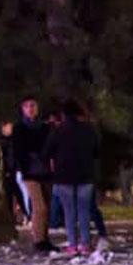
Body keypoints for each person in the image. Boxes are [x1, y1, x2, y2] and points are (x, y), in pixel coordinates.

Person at [43, 99, 98, 255]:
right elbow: (96, 152)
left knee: (69, 212)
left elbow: (46, 153)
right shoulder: (89, 130)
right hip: (85, 175)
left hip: (63, 176)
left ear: (63, 114)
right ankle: (86, 245)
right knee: (84, 211)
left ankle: (72, 245)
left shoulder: (58, 131)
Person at [13, 97, 53, 250]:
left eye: (33, 105)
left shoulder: (44, 127)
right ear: (22, 109)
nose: (30, 109)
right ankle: (38, 240)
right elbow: (19, 151)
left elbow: (50, 147)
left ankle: (45, 237)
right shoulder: (19, 128)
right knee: (39, 207)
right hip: (30, 172)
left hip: (45, 171)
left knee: (47, 207)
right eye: (27, 106)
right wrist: (25, 167)